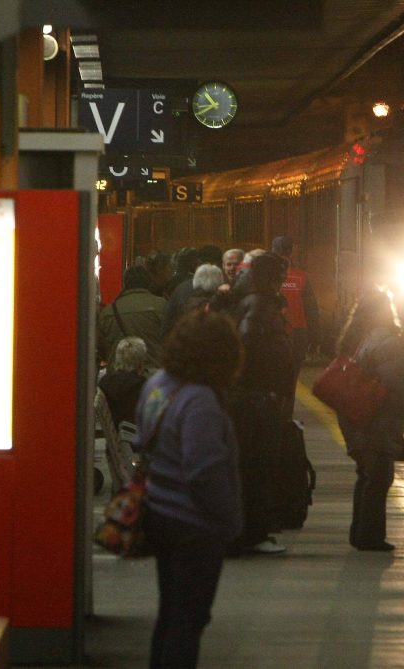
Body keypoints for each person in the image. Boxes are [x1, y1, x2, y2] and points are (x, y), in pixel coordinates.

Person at [139, 309, 244, 669]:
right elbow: (203, 470)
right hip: (193, 525)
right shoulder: (199, 400)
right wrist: (230, 519)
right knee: (189, 620)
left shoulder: (157, 385)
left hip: (160, 514)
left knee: (170, 613)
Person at [227, 252, 294, 554]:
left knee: (253, 466)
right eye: (280, 275)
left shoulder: (252, 301)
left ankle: (250, 531)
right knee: (257, 466)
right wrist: (267, 389)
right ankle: (253, 533)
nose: (282, 281)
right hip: (256, 400)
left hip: (254, 397)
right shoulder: (259, 305)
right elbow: (252, 348)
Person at [335, 289, 404, 551]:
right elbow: (397, 386)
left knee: (365, 476)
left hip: (356, 416)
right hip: (377, 419)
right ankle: (371, 537)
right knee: (378, 478)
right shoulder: (386, 341)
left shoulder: (357, 338)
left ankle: (359, 533)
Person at [270, 235, 320, 414]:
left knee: (271, 376)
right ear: (290, 252)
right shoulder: (301, 277)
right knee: (290, 380)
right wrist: (315, 339)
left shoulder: (263, 275)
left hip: (271, 334)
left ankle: (273, 412)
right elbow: (311, 310)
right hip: (297, 334)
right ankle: (286, 416)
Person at [98, 266, 167, 371]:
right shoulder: (161, 306)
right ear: (148, 283)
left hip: (118, 378)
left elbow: (101, 349)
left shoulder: (108, 311)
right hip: (151, 376)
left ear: (125, 284)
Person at [98, 336, 150, 428]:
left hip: (118, 433)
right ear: (141, 360)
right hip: (132, 435)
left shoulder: (105, 381)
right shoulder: (139, 385)